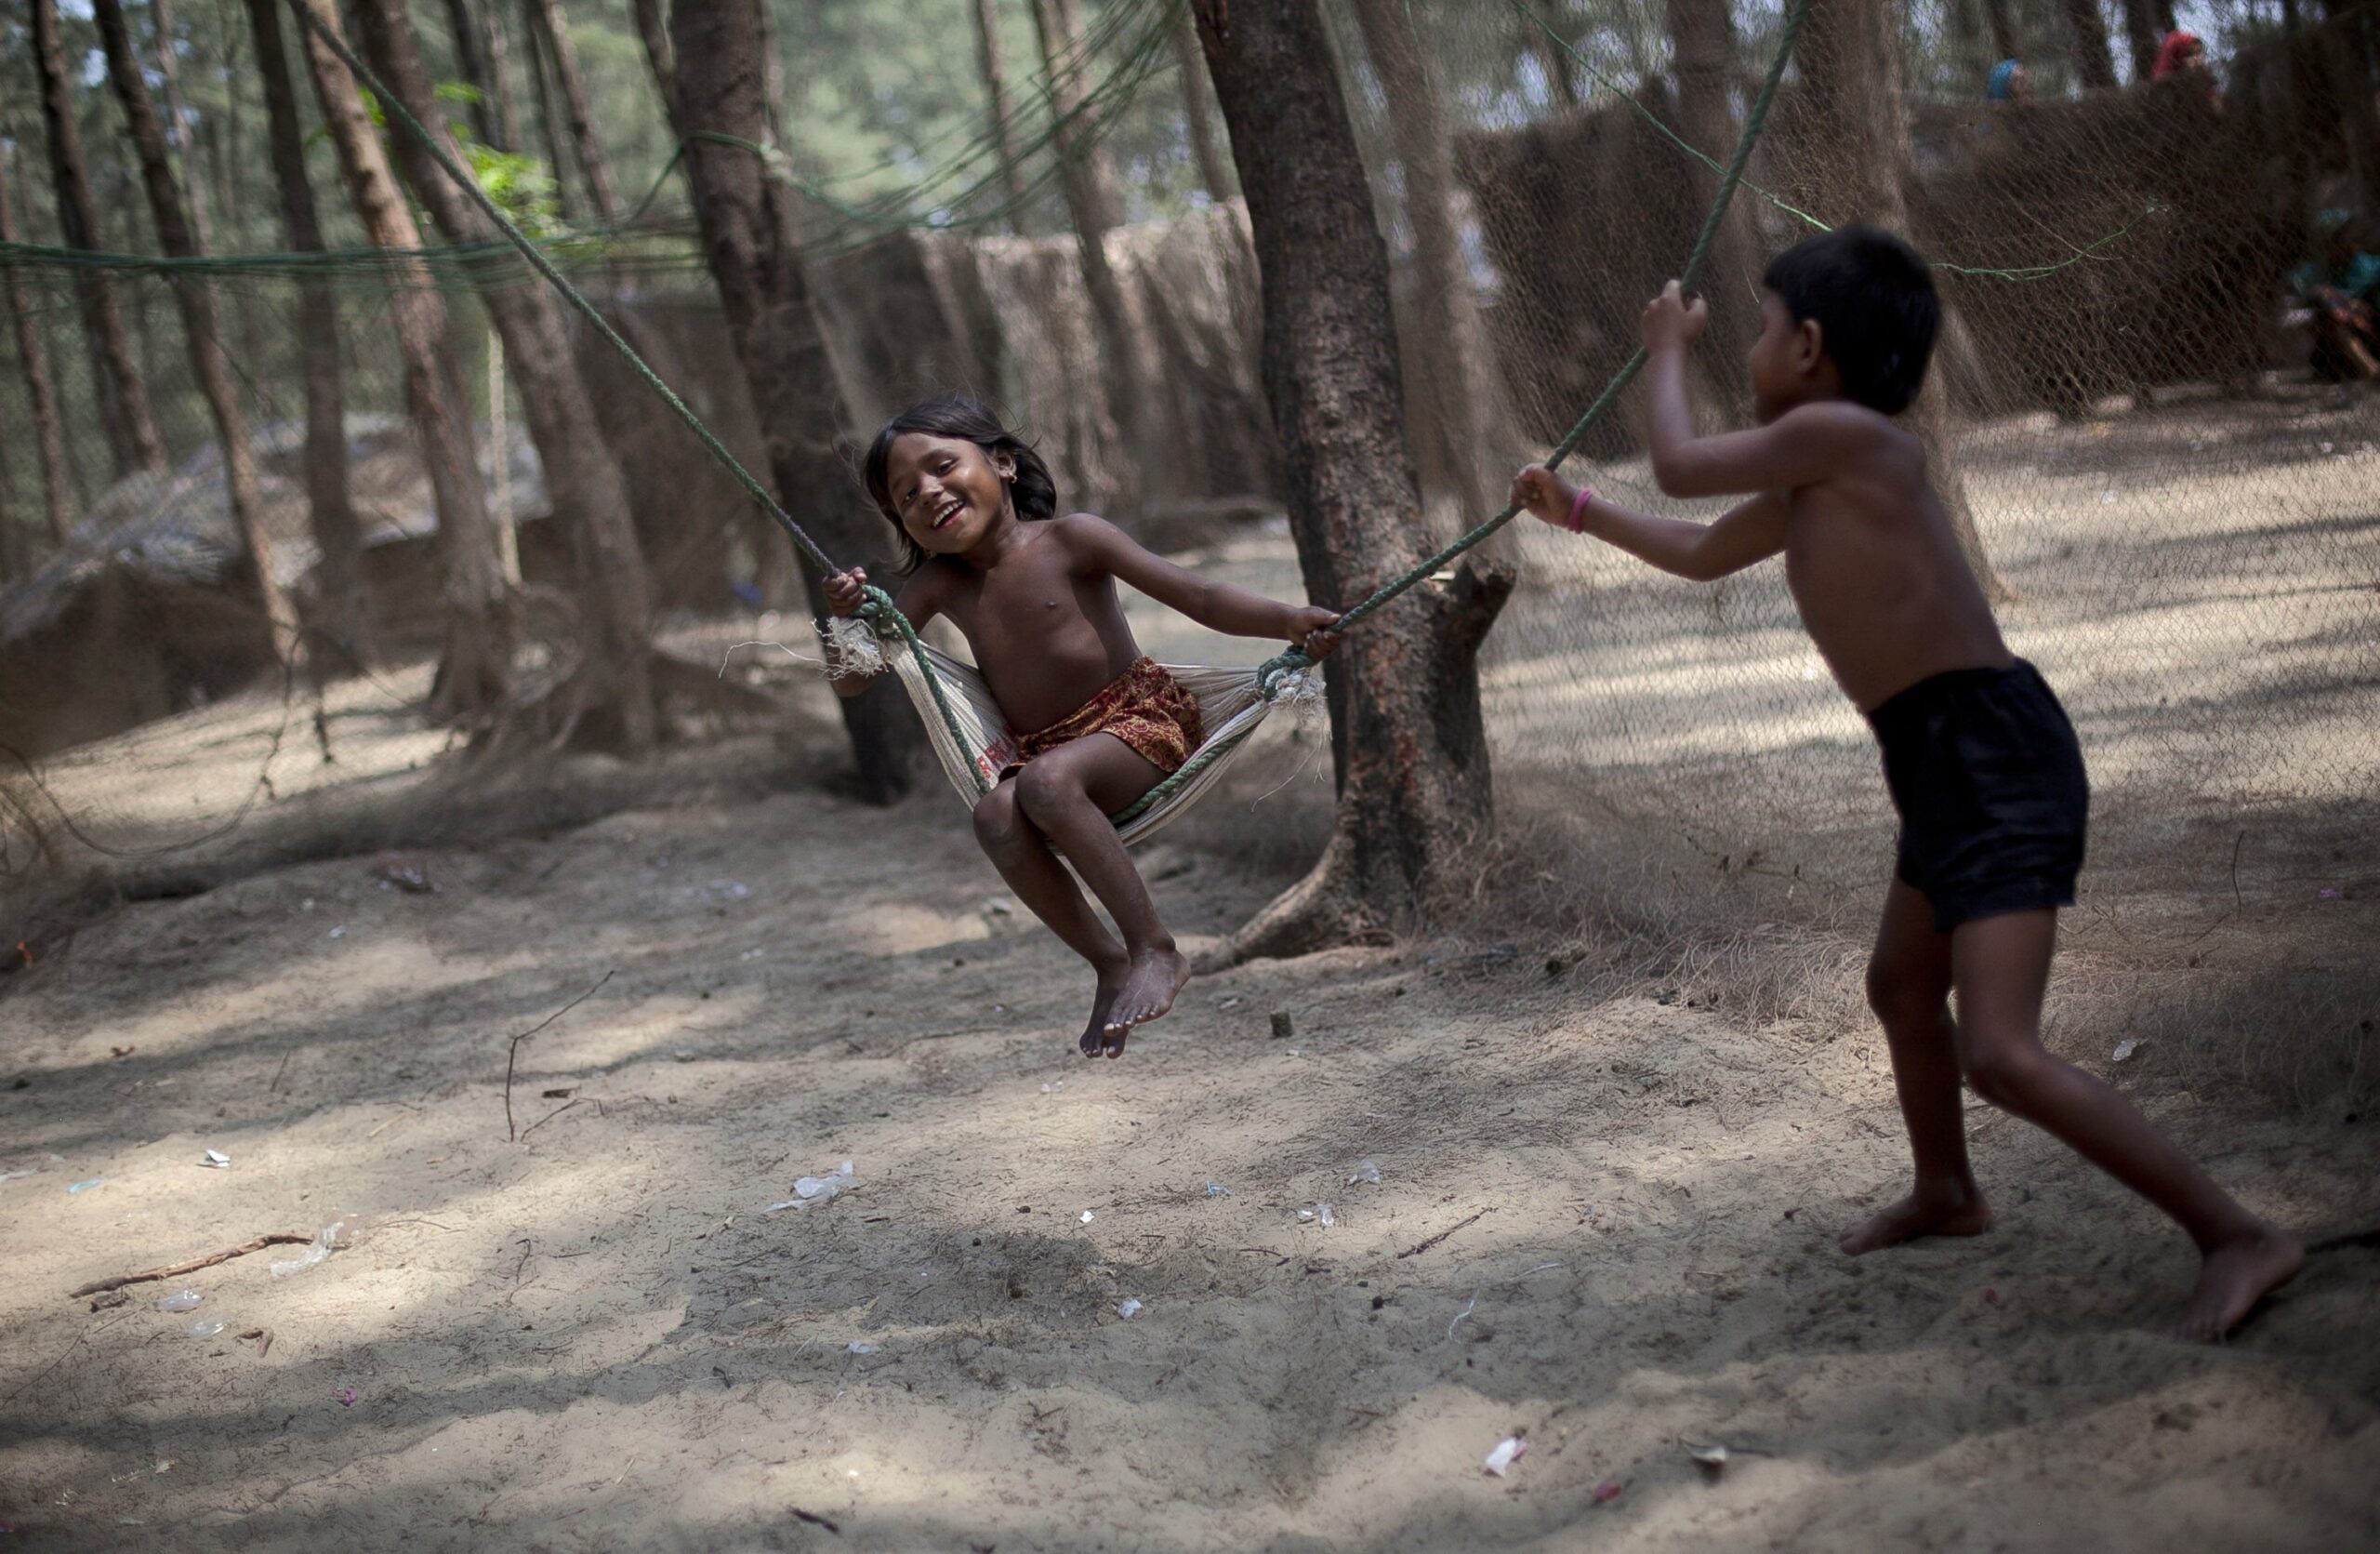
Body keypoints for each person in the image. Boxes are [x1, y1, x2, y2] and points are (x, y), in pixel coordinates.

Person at [1509, 227, 2304, 1340]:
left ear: (1811, 347)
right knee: (1899, 984)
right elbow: (1696, 548)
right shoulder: (1816, 467)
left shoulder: (1849, 439)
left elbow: (1683, 463)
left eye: (1762, 325)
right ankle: (1948, 1190)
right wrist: (1577, 513)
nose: (1749, 341)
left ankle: (2238, 1235)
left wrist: (1664, 348)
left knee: (2001, 1051)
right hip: (1939, 762)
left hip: (1990, 755)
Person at [824, 394, 1341, 1058]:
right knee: (995, 815)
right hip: (1052, 763)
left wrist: (1286, 621)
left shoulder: (1074, 539)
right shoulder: (938, 584)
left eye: (943, 465)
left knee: (1043, 781)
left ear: (1003, 463)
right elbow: (853, 677)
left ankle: (1154, 946)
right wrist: (846, 619)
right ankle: (1110, 962)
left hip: (1144, 724)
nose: (928, 492)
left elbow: (1199, 595)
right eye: (905, 495)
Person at [2288, 208, 2380, 382]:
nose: (2348, 240)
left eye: (2348, 233)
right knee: (2324, 299)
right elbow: (2289, 308)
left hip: (2371, 330)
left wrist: (2360, 305)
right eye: (2339, 237)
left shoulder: (2370, 266)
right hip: (2336, 349)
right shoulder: (2311, 273)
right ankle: (2371, 370)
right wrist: (2339, 301)